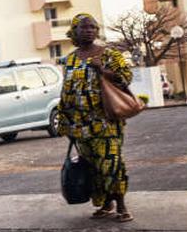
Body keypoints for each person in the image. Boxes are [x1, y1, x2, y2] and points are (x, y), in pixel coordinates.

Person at [58, 13, 134, 222]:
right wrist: (66, 121)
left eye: (93, 27)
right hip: (80, 125)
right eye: (84, 28)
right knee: (92, 167)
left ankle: (121, 205)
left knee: (111, 164)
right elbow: (67, 89)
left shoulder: (110, 54)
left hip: (106, 123)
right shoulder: (70, 59)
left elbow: (126, 78)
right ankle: (106, 204)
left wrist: (103, 70)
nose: (89, 30)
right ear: (74, 32)